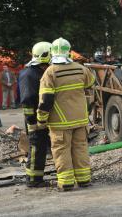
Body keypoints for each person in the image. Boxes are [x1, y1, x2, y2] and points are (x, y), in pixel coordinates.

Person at [37, 37, 95, 191]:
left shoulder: (50, 72)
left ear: (52, 53)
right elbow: (90, 83)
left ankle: (66, 182)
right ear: (69, 52)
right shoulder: (80, 68)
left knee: (62, 150)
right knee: (80, 148)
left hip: (60, 122)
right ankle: (84, 179)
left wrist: (41, 119)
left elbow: (46, 100)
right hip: (80, 119)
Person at [19, 42, 52, 187]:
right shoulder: (29, 74)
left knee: (41, 148)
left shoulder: (37, 71)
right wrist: (32, 122)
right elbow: (27, 101)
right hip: (34, 120)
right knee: (35, 149)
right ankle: (33, 180)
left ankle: (37, 177)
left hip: (41, 118)